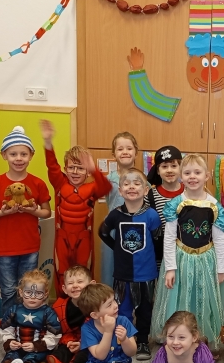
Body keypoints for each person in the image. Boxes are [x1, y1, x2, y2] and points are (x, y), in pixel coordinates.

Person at [151, 154, 224, 348]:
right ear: (181, 176)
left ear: (207, 175)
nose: (192, 176)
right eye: (187, 173)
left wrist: (220, 269)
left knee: (205, 299)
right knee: (181, 298)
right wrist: (170, 268)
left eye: (197, 172)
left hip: (206, 260)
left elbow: (219, 240)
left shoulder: (214, 206)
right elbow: (169, 237)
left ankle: (205, 341)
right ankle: (178, 339)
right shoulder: (175, 204)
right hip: (181, 259)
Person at [0, 125, 52, 314]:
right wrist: (4, 213)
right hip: (5, 247)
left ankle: (29, 321)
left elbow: (47, 213)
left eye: (23, 154)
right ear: (4, 155)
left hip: (30, 246)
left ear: (31, 155)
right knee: (8, 290)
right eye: (13, 154)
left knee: (30, 290)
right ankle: (9, 323)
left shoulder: (38, 183)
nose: (19, 158)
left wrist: (34, 211)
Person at [39, 119, 111, 294]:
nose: (75, 172)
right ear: (66, 168)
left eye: (80, 168)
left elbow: (106, 187)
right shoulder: (60, 184)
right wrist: (48, 142)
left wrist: (94, 169)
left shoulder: (92, 188)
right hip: (62, 237)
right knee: (61, 271)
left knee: (83, 272)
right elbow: (52, 166)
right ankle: (62, 304)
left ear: (87, 172)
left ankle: (84, 304)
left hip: (83, 238)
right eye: (71, 167)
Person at [98, 168, 161, 360]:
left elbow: (158, 240)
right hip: (122, 273)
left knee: (145, 310)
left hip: (146, 274)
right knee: (122, 309)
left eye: (136, 183)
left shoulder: (151, 215)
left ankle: (142, 341)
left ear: (145, 190)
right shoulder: (115, 215)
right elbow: (103, 233)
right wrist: (117, 248)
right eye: (126, 184)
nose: (131, 187)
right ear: (120, 190)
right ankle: (125, 338)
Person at [44, 265, 93, 363]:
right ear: (64, 289)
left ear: (91, 285)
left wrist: (82, 343)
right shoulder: (59, 306)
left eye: (80, 282)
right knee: (61, 351)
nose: (75, 285)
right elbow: (54, 328)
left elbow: (99, 330)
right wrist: (68, 342)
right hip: (69, 339)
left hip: (89, 341)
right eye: (70, 283)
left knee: (85, 353)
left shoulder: (97, 305)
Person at [101, 132, 139, 287]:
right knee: (110, 269)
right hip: (113, 230)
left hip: (135, 230)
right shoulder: (108, 180)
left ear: (136, 152)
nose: (125, 152)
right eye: (120, 149)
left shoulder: (142, 180)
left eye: (129, 148)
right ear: (113, 154)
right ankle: (109, 299)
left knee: (133, 269)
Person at [146, 145, 185, 271]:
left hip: (187, 255)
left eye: (174, 166)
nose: (169, 170)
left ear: (180, 168)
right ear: (158, 170)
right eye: (164, 166)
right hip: (160, 256)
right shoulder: (150, 196)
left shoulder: (190, 192)